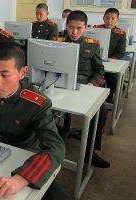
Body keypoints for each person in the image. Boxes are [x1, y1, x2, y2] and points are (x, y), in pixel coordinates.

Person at [0, 42, 66, 199]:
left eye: (5, 75)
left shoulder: (37, 103)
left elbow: (55, 148)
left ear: (22, 73)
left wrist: (22, 178)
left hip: (21, 160)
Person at [52, 10, 110, 168]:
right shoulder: (57, 40)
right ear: (67, 25)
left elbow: (99, 70)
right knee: (40, 103)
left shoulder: (92, 45)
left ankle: (91, 153)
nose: (74, 32)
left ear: (85, 28)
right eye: (71, 27)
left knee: (102, 109)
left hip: (84, 85)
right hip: (60, 83)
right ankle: (45, 146)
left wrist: (91, 84)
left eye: (79, 28)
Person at [93, 8, 126, 103]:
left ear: (117, 19)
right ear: (103, 18)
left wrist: (109, 60)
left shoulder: (121, 34)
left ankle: (109, 99)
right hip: (96, 59)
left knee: (112, 78)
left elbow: (120, 52)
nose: (110, 21)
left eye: (113, 18)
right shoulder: (95, 29)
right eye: (107, 18)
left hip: (111, 61)